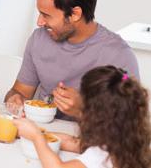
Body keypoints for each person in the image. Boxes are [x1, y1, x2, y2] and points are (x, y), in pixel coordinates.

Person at [4, 0, 139, 120]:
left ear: (75, 14)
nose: (39, 22)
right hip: (37, 134)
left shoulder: (118, 55)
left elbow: (130, 123)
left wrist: (82, 110)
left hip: (86, 141)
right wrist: (14, 99)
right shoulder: (39, 39)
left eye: (46, 15)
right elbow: (20, 91)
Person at [13, 65, 151, 168]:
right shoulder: (127, 142)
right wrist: (31, 133)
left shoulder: (101, 156)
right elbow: (73, 143)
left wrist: (37, 137)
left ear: (94, 113)